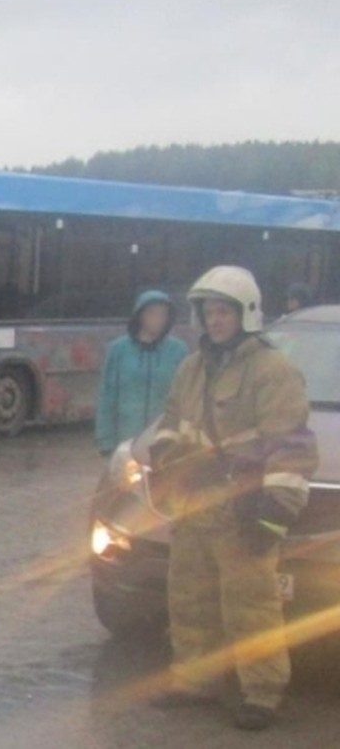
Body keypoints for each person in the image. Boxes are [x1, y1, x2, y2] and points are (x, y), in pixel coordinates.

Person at [148, 266, 317, 731]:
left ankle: (262, 693)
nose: (214, 320)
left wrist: (272, 514)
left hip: (243, 507)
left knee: (252, 605)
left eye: (224, 311)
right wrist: (168, 458)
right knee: (189, 598)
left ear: (246, 314)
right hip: (197, 503)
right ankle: (195, 681)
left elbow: (292, 446)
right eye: (208, 311)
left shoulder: (272, 369)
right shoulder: (192, 367)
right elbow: (170, 420)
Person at [95, 290, 188, 457]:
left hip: (163, 442)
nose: (158, 320)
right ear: (139, 316)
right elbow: (107, 396)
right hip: (125, 442)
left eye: (163, 315)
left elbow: (186, 397)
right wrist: (105, 440)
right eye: (152, 314)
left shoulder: (179, 351)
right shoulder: (118, 350)